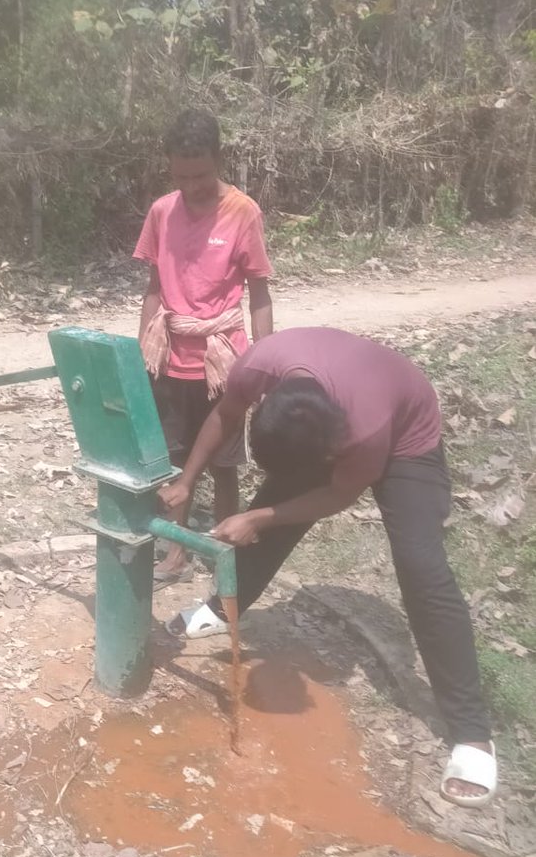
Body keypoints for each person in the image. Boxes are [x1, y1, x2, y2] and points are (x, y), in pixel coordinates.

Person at [158, 327, 497, 808]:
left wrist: (258, 516)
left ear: (332, 449)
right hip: (326, 424)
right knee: (272, 511)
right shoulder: (259, 365)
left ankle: (472, 732)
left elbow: (340, 493)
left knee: (422, 568)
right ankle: (223, 606)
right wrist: (187, 482)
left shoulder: (367, 427)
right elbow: (226, 415)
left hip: (404, 439)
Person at [135, 108, 273, 584]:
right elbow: (154, 286)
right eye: (181, 175)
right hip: (170, 357)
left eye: (201, 175)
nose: (191, 186)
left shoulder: (242, 212)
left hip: (222, 362)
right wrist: (141, 351)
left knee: (224, 463)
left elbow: (259, 292)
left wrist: (264, 362)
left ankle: (220, 548)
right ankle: (176, 550)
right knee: (172, 460)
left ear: (219, 160)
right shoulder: (161, 212)